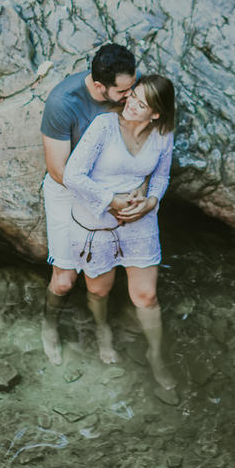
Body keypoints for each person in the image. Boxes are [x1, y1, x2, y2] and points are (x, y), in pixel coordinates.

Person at [63, 74, 177, 390]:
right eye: (133, 96)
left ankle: (156, 355)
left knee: (147, 296)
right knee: (100, 290)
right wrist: (110, 201)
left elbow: (160, 178)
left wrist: (151, 202)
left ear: (156, 113)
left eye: (142, 104)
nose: (131, 105)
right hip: (97, 216)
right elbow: (73, 175)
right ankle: (103, 331)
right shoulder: (104, 126)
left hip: (138, 216)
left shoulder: (163, 134)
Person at [40, 43, 137, 366]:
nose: (130, 96)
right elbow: (58, 170)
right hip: (67, 189)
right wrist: (107, 202)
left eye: (132, 87)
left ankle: (102, 327)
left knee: (100, 285)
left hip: (110, 184)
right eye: (123, 91)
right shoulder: (62, 103)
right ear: (99, 87)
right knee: (65, 280)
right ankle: (49, 326)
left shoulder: (125, 93)